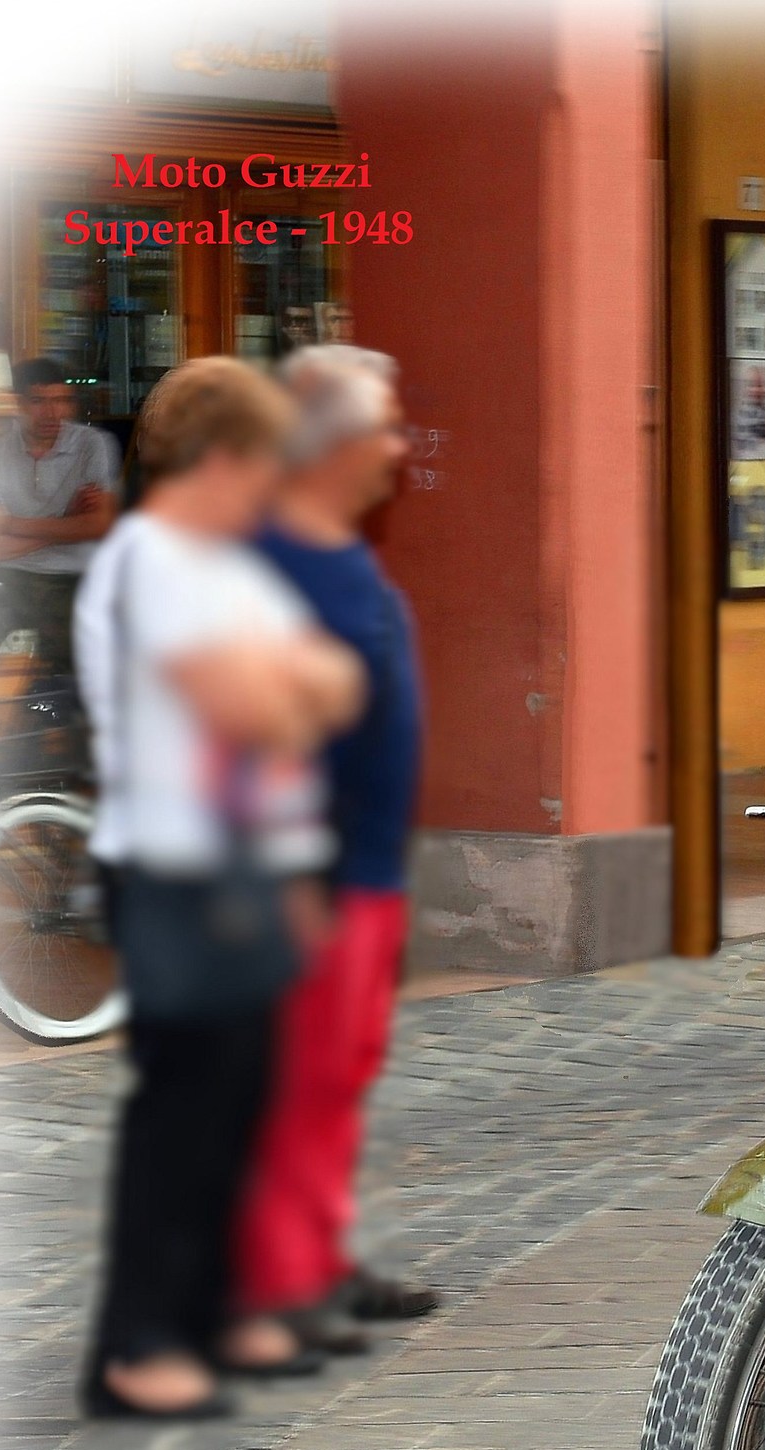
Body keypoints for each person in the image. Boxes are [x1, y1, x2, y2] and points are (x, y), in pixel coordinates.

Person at [73, 357, 366, 1419]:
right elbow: (258, 706)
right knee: (180, 1113)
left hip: (248, 865)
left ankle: (212, 1308)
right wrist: (284, 690)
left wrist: (286, 690)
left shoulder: (223, 569)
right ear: (222, 458)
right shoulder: (151, 560)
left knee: (243, 1104)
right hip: (174, 869)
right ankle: (138, 1342)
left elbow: (338, 684)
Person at [231, 345, 440, 1360]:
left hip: (364, 872)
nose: (401, 447)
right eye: (386, 428)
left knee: (333, 1080)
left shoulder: (336, 550)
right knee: (291, 1082)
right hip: (305, 876)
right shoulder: (267, 562)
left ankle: (313, 1259)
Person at [0, 358, 123, 687]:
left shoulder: (92, 445)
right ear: (19, 404)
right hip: (8, 578)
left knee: (77, 665)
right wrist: (67, 521)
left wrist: (9, 524)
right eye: (39, 401)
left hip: (74, 578)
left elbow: (98, 526)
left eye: (61, 400)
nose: (53, 413)